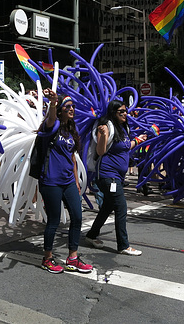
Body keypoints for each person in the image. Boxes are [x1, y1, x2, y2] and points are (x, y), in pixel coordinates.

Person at [37, 93, 93, 274]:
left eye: (72, 107)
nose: (71, 109)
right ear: (60, 110)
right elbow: (51, 118)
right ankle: (47, 258)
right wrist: (53, 104)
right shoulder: (51, 128)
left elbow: (73, 158)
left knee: (77, 217)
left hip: (69, 182)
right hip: (51, 182)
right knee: (53, 221)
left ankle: (73, 258)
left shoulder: (71, 131)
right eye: (67, 107)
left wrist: (76, 182)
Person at [85, 100, 144, 256]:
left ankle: (91, 235)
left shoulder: (123, 128)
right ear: (113, 113)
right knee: (121, 207)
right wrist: (103, 135)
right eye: (121, 112)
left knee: (107, 207)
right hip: (107, 176)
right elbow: (101, 151)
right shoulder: (106, 126)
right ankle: (123, 245)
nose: (125, 114)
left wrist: (138, 140)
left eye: (125, 111)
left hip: (116, 176)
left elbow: (125, 147)